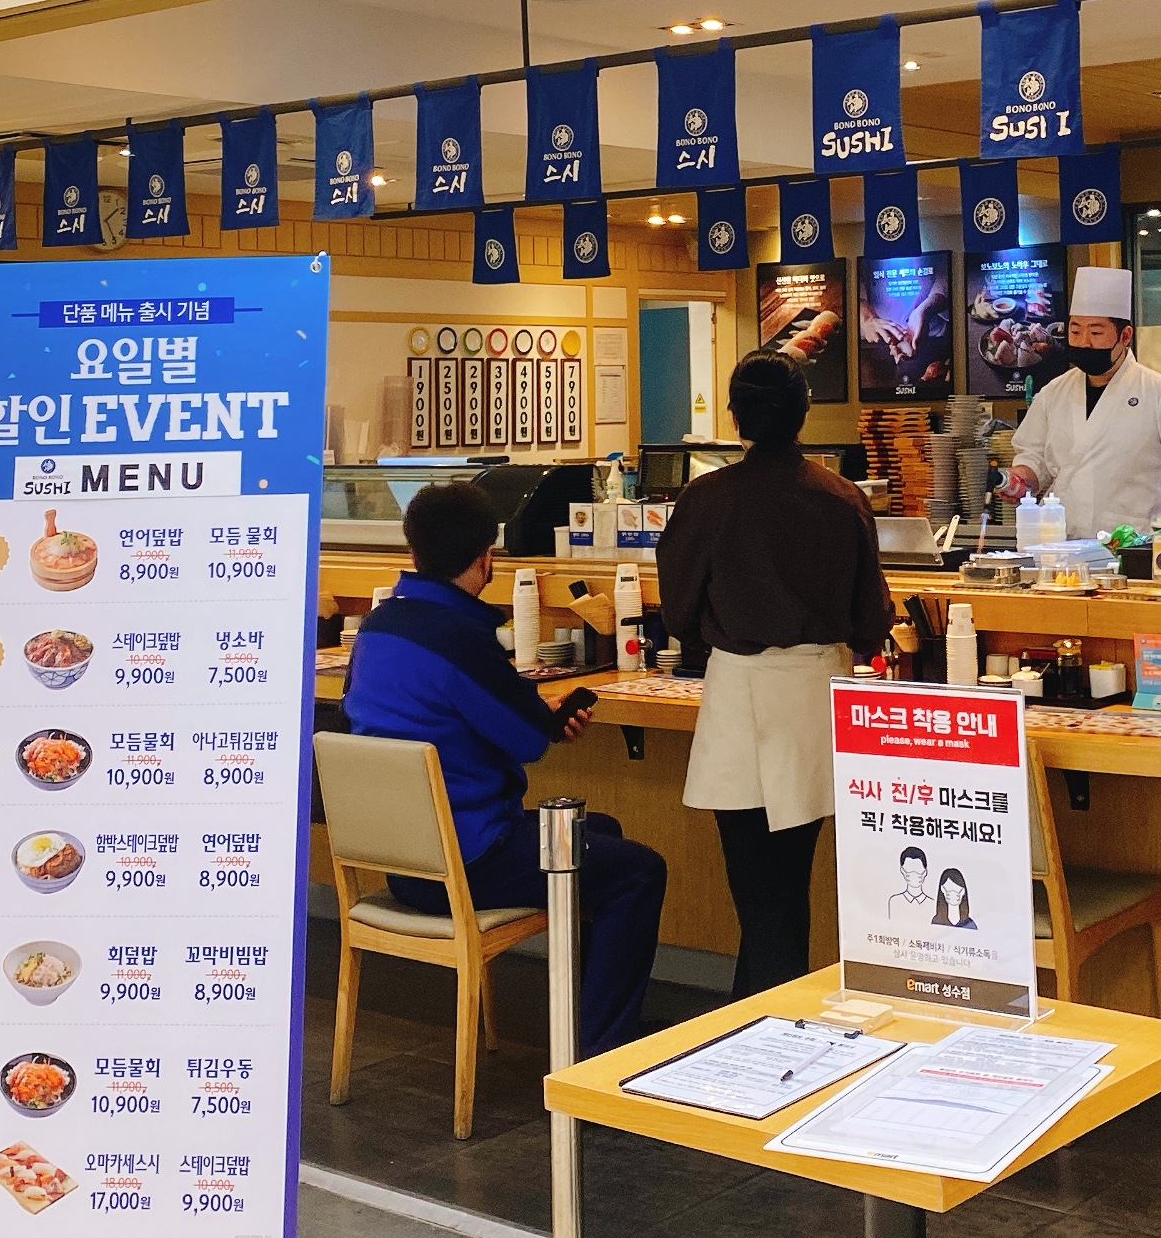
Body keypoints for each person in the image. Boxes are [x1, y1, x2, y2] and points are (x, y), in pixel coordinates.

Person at [341, 482, 668, 1051]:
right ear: (485, 557)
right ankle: (601, 1049)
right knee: (638, 872)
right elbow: (528, 739)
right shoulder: (461, 636)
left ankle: (584, 1023)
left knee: (601, 834)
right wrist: (545, 719)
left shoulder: (377, 626)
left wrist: (527, 713)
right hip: (468, 862)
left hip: (401, 863)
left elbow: (431, 713)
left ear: (412, 551)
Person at [657, 348, 894, 994]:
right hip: (816, 695)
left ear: (735, 417)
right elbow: (871, 618)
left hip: (738, 690)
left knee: (759, 891)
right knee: (786, 882)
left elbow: (678, 612)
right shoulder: (841, 497)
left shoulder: (706, 499)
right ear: (803, 413)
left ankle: (767, 1022)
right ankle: (764, 1014)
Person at [997, 266, 1161, 539]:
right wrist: (1020, 478)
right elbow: (1034, 459)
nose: (1084, 343)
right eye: (1076, 331)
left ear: (1125, 336)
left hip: (1131, 548)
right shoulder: (1054, 392)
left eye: (1096, 333)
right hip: (1060, 546)